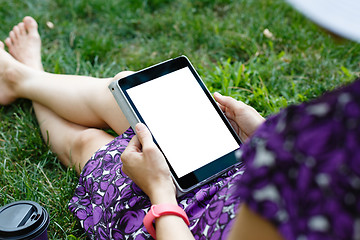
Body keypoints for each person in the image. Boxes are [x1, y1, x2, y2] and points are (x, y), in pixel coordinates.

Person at [1, 13, 359, 240]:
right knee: (127, 90)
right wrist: (266, 141)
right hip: (230, 171)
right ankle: (25, 77)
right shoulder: (332, 129)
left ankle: (21, 77)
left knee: (88, 146)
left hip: (181, 224)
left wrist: (159, 192)